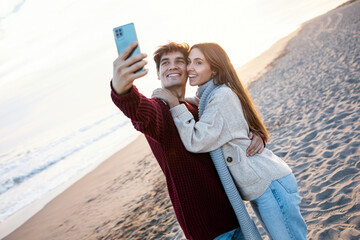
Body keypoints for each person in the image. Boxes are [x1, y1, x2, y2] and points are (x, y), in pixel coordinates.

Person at [152, 42, 308, 240]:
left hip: (270, 184)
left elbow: (197, 140)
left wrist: (175, 105)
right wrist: (185, 102)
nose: (190, 68)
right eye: (190, 62)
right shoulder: (210, 97)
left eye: (198, 63)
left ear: (214, 68)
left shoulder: (221, 96)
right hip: (263, 186)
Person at [110, 41, 265, 240]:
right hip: (208, 230)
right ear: (158, 74)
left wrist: (257, 136)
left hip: (234, 214)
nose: (172, 66)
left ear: (188, 69)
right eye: (165, 63)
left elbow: (231, 129)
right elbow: (139, 110)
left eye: (179, 61)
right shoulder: (160, 109)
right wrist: (121, 89)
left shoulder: (197, 108)